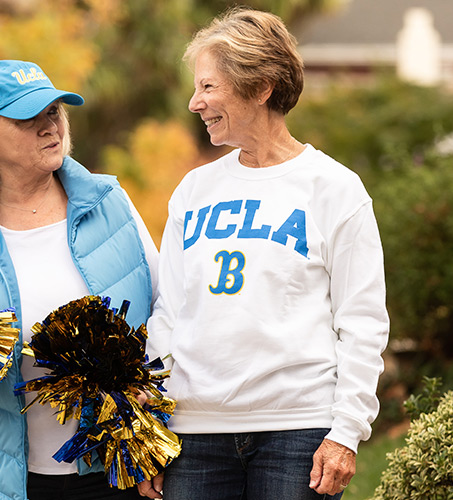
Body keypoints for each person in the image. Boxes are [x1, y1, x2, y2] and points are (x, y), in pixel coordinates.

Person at [138, 8, 389, 500]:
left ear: (262, 86)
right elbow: (167, 311)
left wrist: (346, 431)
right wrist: (153, 422)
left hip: (298, 432)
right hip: (194, 433)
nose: (195, 103)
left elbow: (362, 321)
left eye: (208, 87)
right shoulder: (194, 190)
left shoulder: (335, 189)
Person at [0, 58, 158, 500]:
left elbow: (166, 315)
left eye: (54, 112)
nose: (50, 126)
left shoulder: (113, 205)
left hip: (113, 471)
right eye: (29, 118)